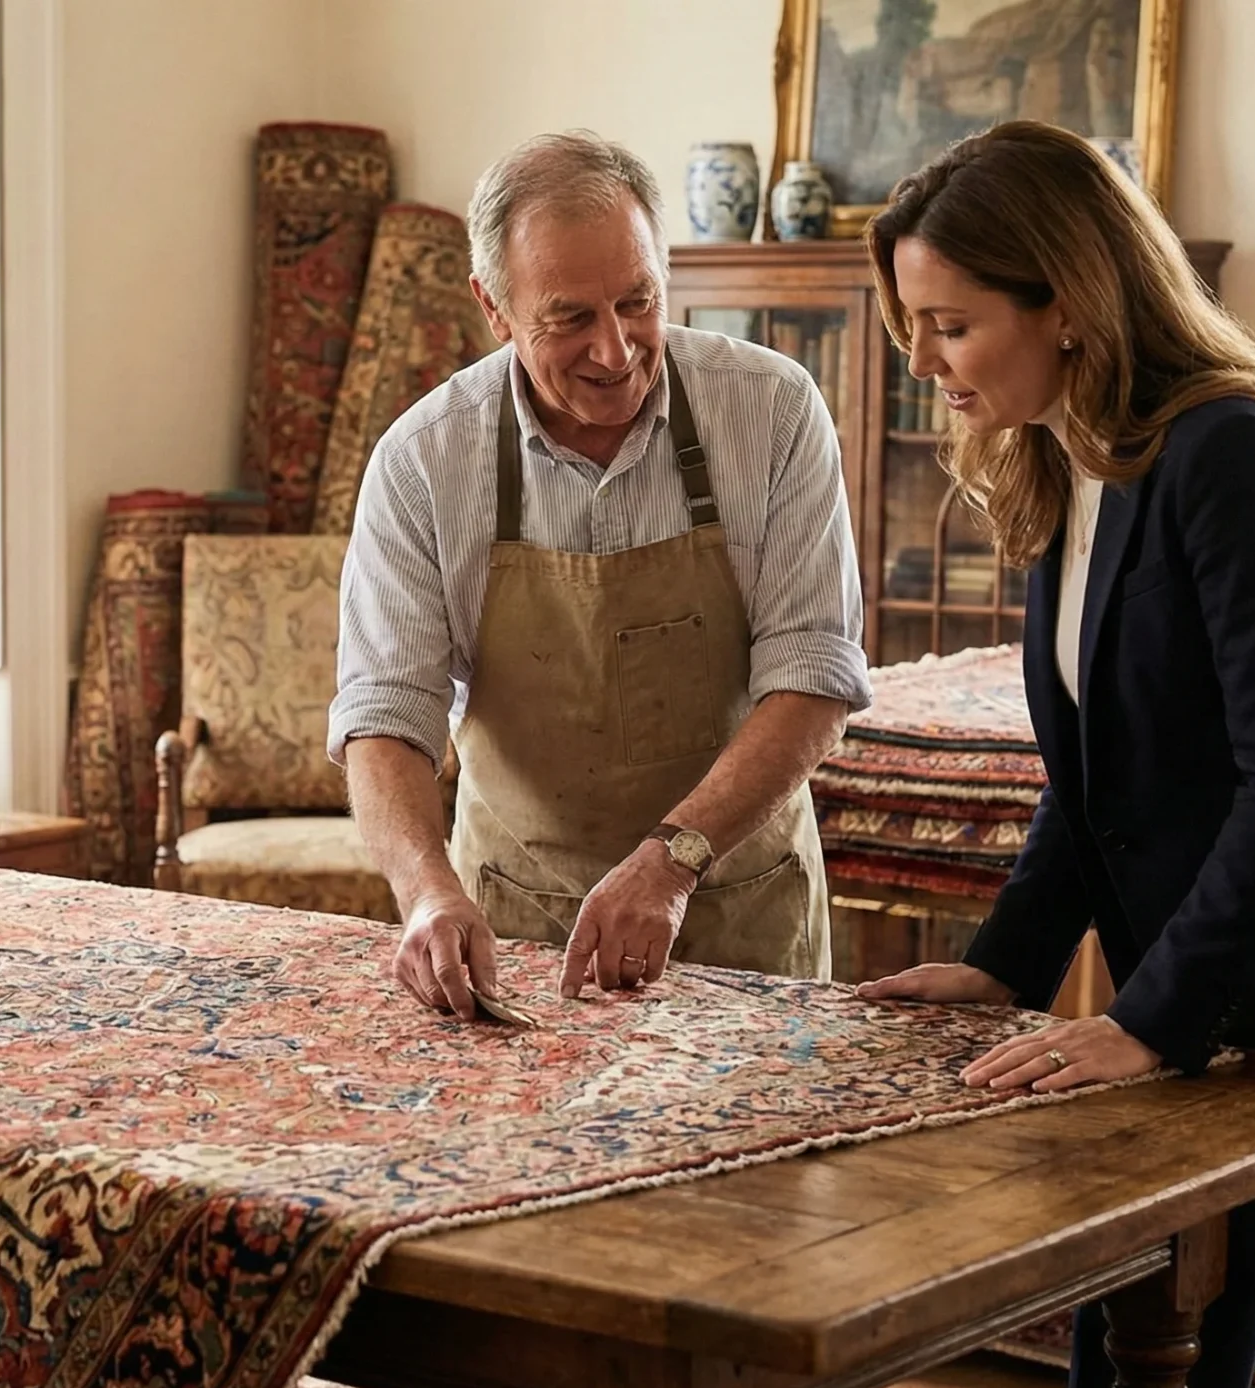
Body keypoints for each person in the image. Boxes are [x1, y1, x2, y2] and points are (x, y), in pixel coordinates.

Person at [852, 120, 1255, 1388]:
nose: (922, 362)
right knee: (1136, 1358)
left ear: (1070, 306)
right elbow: (1093, 786)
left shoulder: (1236, 455)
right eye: (910, 328)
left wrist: (1145, 1022)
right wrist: (1005, 969)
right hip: (1209, 1008)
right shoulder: (1061, 460)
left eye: (949, 324)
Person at [327, 131, 871, 1013]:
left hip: (739, 910)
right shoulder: (424, 462)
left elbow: (813, 680)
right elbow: (386, 716)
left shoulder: (772, 412)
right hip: (519, 927)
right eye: (569, 318)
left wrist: (674, 860)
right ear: (494, 310)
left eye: (638, 301)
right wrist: (427, 891)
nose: (615, 351)